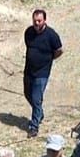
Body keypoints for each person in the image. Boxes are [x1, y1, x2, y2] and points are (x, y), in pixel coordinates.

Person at [22, 9, 63, 137]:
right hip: (29, 70)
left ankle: (34, 127)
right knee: (28, 94)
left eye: (39, 21)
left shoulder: (52, 35)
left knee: (36, 98)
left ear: (44, 20)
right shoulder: (29, 32)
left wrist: (48, 59)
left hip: (42, 72)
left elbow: (59, 50)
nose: (37, 23)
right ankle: (39, 113)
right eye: (35, 21)